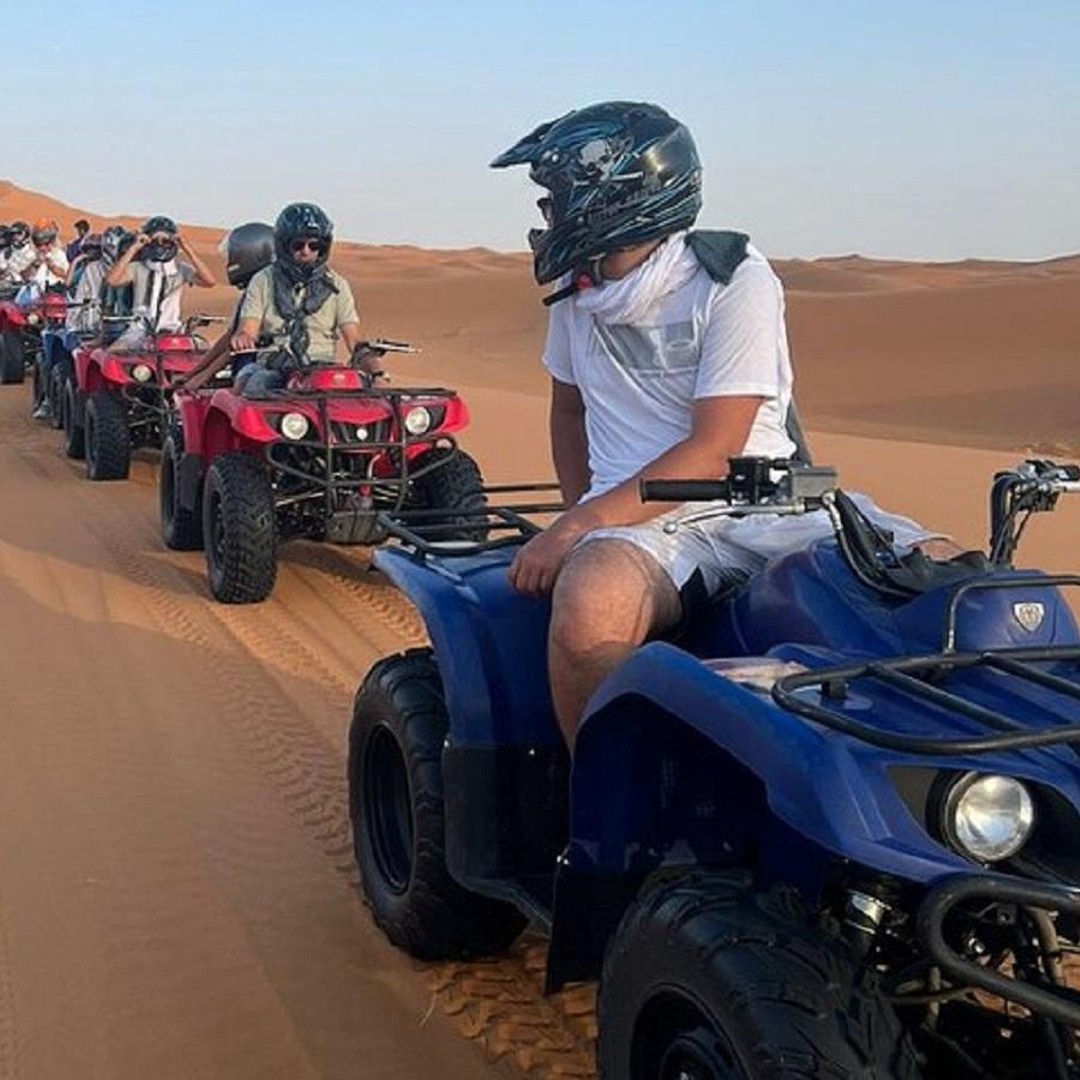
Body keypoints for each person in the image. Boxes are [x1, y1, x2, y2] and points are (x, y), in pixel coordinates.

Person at [491, 100, 952, 748]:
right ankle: (608, 823)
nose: (546, 219)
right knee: (586, 613)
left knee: (951, 583)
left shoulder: (729, 277)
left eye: (556, 201)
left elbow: (714, 449)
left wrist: (577, 526)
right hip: (645, 521)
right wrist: (587, 517)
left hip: (765, 504)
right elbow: (569, 410)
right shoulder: (576, 295)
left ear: (616, 196)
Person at [228, 202, 372, 396]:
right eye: (298, 245)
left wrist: (376, 370)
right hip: (273, 366)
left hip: (322, 369)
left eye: (315, 245)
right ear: (284, 245)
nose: (306, 251)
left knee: (365, 396)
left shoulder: (337, 285)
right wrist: (244, 337)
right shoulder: (263, 280)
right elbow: (248, 327)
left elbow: (353, 338)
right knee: (253, 388)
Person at [179, 221, 276, 392]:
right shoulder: (250, 292)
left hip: (260, 378)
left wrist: (204, 376)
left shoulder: (269, 294)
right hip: (244, 374)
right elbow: (229, 338)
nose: (229, 260)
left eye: (233, 255)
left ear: (252, 254)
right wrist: (193, 373)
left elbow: (240, 346)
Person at [104, 215, 215, 350]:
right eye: (155, 239)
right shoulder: (138, 267)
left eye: (165, 240)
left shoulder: (181, 269)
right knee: (113, 355)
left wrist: (187, 248)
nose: (160, 244)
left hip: (172, 331)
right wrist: (134, 248)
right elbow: (112, 280)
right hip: (139, 331)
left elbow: (210, 281)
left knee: (201, 355)